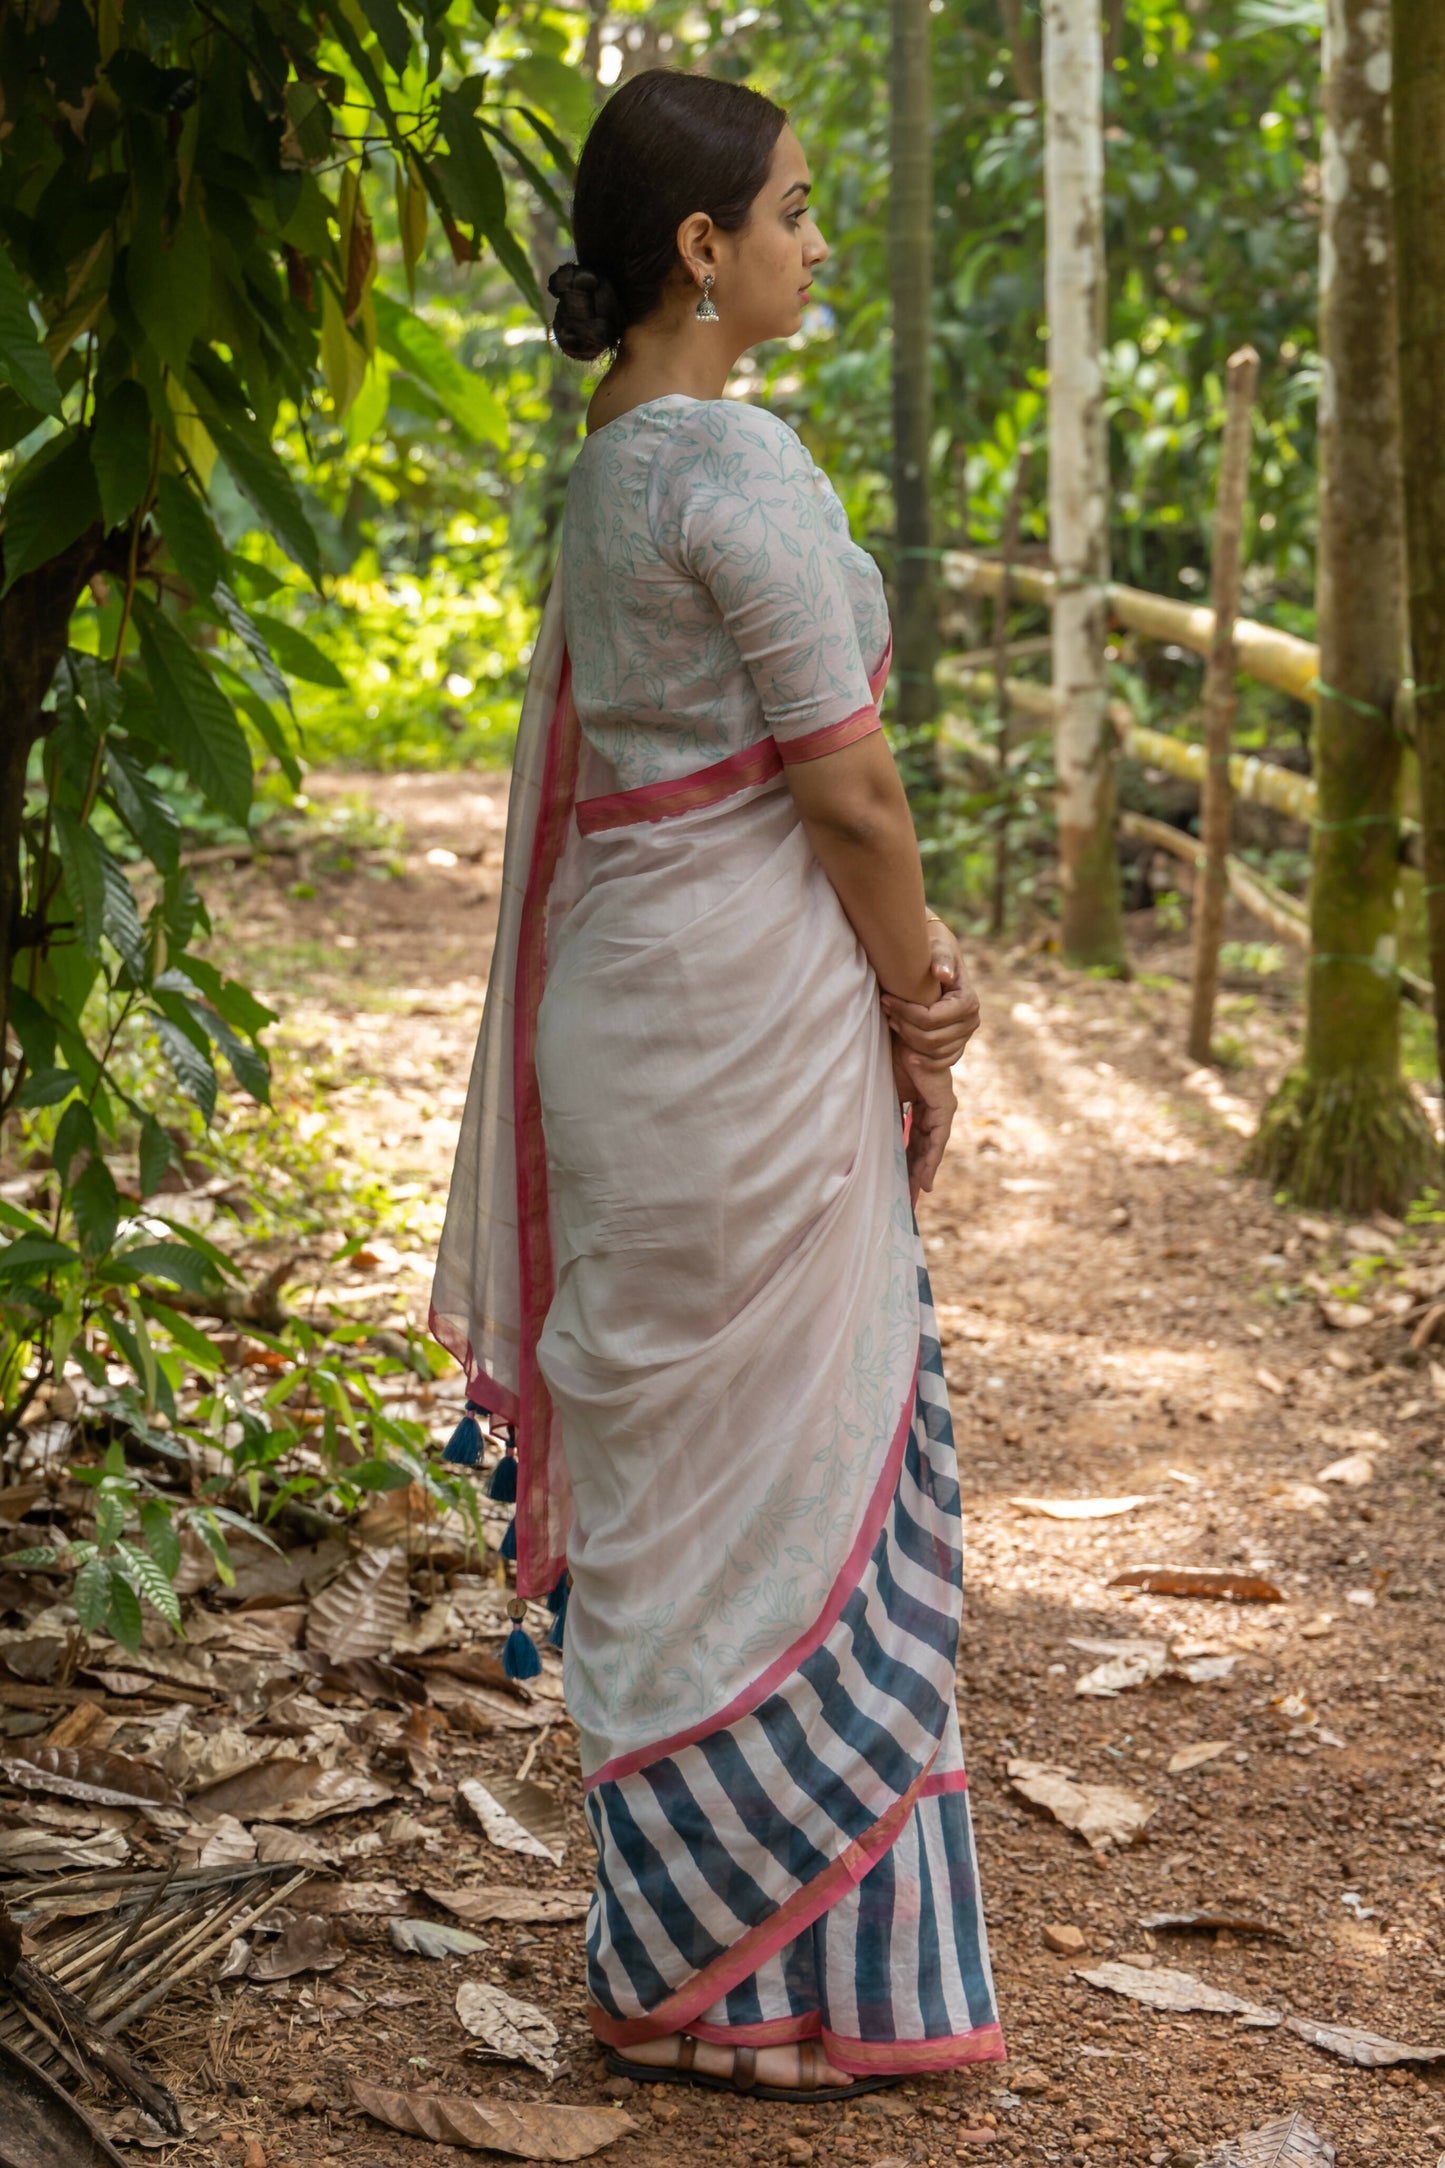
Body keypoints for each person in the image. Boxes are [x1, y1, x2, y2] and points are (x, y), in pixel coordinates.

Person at [430, 66, 1004, 2102]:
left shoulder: (609, 464)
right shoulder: (730, 471)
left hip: (640, 1020)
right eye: (791, 207)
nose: (818, 236)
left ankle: (689, 1969)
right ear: (702, 248)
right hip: (744, 1033)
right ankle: (797, 1995)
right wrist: (927, 1002)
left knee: (693, 1495)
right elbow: (848, 790)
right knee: (795, 1459)